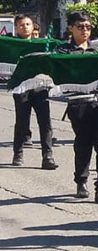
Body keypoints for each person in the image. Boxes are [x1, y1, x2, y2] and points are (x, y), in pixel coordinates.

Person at [56, 12, 98, 204]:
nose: (85, 30)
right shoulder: (63, 52)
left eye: (88, 27)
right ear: (71, 28)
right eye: (80, 26)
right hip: (79, 104)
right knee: (83, 144)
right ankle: (81, 181)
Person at [11, 15, 57, 170]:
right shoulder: (12, 44)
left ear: (33, 27)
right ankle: (18, 153)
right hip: (21, 88)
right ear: (16, 28)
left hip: (40, 86)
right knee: (22, 122)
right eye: (21, 25)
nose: (25, 27)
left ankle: (47, 156)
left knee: (45, 122)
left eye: (28, 24)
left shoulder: (42, 44)